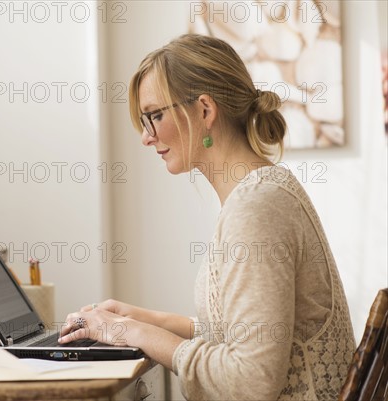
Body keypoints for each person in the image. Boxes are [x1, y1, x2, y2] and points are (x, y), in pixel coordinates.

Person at [58, 34, 356, 400]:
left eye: (154, 116)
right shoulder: (263, 190)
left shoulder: (255, 208)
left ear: (204, 110)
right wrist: (138, 319)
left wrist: (133, 334)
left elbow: (251, 380)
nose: (146, 138)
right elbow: (239, 334)